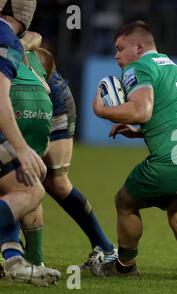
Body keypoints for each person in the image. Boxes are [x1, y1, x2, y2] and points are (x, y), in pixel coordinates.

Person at [91, 21, 177, 278]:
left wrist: (101, 110)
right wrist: (138, 132)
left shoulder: (138, 67)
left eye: (120, 48)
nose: (116, 56)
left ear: (138, 47)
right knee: (174, 195)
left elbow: (141, 110)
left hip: (172, 163)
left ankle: (124, 266)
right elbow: (173, 116)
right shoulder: (175, 68)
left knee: (124, 201)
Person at [19, 31, 118, 268]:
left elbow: (35, 35)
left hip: (52, 100)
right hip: (21, 98)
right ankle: (22, 254)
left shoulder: (9, 23)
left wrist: (18, 45)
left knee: (49, 181)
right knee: (20, 178)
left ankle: (104, 247)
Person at [0, 0, 60, 286]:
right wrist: (22, 149)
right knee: (32, 188)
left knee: (14, 184)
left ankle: (14, 260)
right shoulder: (6, 39)